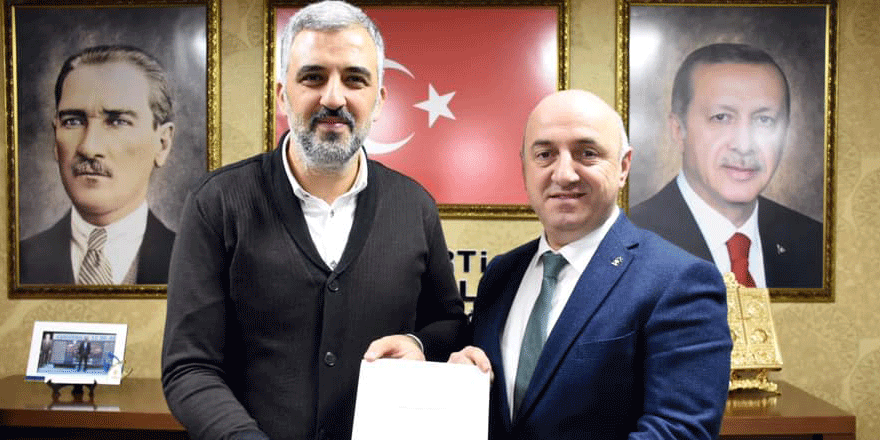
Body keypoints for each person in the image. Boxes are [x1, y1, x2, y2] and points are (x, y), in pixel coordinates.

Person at [161, 2, 466, 440]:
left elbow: (449, 325)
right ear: (283, 95)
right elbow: (189, 367)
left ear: (379, 100)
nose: (333, 98)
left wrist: (419, 345)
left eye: (355, 79)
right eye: (313, 77)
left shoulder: (415, 206)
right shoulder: (217, 203)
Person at [449, 90, 732, 439]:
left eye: (587, 153)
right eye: (545, 154)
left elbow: (680, 431)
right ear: (524, 167)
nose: (564, 174)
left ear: (623, 166)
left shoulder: (680, 281)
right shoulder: (500, 275)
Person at [630, 43, 822, 288]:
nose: (744, 145)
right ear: (678, 130)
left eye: (764, 120)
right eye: (721, 117)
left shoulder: (815, 242)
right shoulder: (629, 241)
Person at [19, 45, 176, 285]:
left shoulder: (197, 263)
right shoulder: (16, 264)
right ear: (55, 138)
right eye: (72, 121)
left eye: (118, 122)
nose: (88, 148)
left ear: (162, 144)